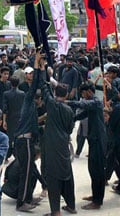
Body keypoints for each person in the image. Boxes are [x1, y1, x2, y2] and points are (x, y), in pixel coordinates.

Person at [40, 71, 77, 215]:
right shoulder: (69, 110)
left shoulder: (52, 105)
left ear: (55, 93)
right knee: (67, 176)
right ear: (66, 95)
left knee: (53, 178)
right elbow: (69, 129)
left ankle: (55, 211)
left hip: (52, 146)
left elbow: (44, 90)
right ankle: (71, 206)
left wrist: (43, 71)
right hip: (63, 145)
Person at [12, 54, 44, 212]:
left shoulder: (31, 108)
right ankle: (21, 202)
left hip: (26, 141)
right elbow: (36, 83)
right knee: (26, 172)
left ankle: (28, 198)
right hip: (24, 141)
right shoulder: (28, 100)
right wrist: (37, 64)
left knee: (30, 171)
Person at [69, 83, 107, 210]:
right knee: (92, 169)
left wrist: (66, 101)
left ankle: (97, 201)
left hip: (98, 140)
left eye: (83, 94)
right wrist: (74, 118)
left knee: (97, 171)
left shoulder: (95, 102)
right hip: (93, 139)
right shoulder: (92, 104)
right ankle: (95, 195)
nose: (83, 97)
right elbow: (84, 114)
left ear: (89, 92)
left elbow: (83, 105)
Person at [2, 76, 25, 159]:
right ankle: (17, 154)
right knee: (18, 137)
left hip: (10, 118)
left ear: (10, 83)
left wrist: (4, 121)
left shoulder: (6, 94)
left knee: (9, 137)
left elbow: (5, 109)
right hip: (19, 118)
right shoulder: (22, 94)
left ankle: (7, 154)